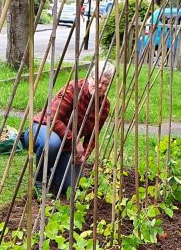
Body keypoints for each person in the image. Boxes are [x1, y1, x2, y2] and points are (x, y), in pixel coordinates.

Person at [22, 62, 113, 198]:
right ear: (90, 77)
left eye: (105, 83)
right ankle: (39, 180)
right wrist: (75, 141)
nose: (100, 86)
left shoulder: (104, 106)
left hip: (66, 147)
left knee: (71, 186)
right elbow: (52, 118)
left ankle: (53, 167)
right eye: (97, 80)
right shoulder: (73, 89)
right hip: (42, 129)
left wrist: (83, 156)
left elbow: (93, 136)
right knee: (52, 143)